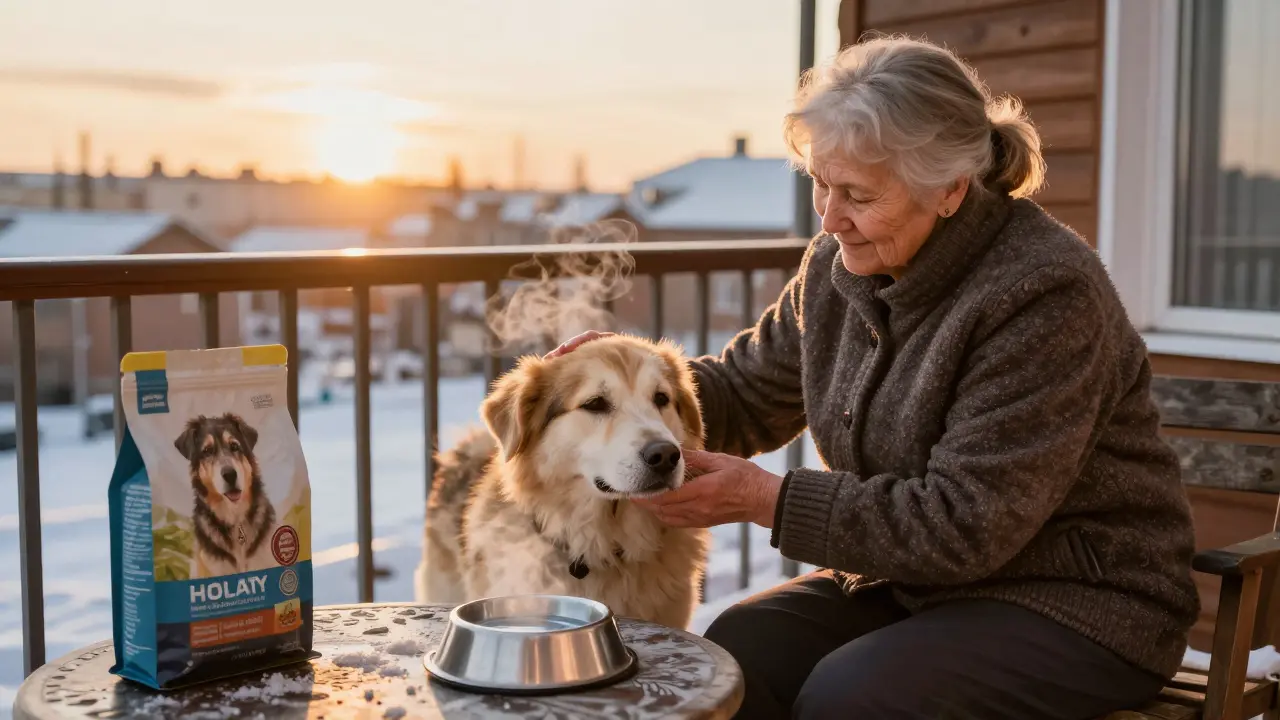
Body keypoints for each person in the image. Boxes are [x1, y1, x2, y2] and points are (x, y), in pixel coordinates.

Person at [547, 36, 1199, 719]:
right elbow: (742, 392)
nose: (828, 218)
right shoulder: (838, 266)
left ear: (949, 189)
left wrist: (766, 500)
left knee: (854, 697)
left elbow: (964, 525)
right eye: (819, 183)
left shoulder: (1042, 293)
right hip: (920, 585)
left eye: (856, 194)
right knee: (735, 653)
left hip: (1081, 601)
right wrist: (635, 388)